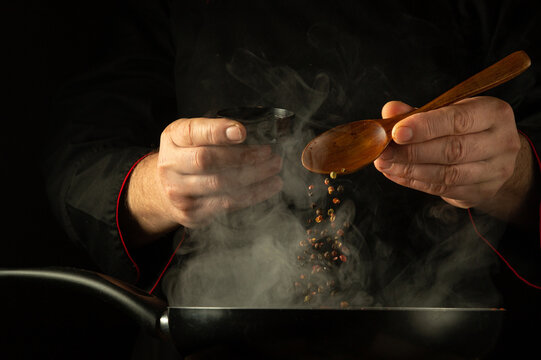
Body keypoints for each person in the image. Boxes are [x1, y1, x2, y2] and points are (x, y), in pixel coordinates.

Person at [44, 0, 541, 356]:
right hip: (215, 341)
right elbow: (78, 161)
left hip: (442, 332)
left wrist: (516, 172)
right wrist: (159, 187)